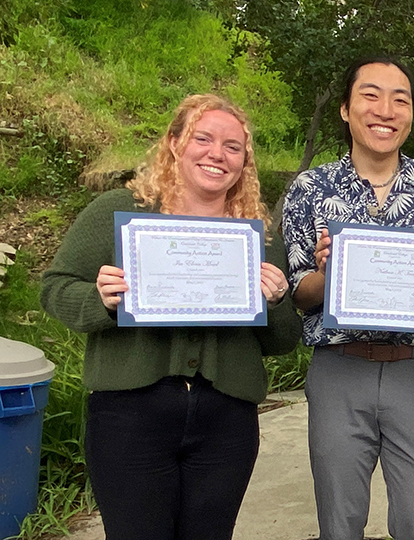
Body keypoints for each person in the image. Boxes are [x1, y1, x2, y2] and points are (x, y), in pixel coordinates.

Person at [40, 94, 302, 540]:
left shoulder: (259, 233)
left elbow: (283, 341)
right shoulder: (119, 213)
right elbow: (55, 288)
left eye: (233, 147)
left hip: (226, 421)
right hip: (129, 416)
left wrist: (276, 301)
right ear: (176, 143)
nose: (217, 154)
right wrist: (102, 300)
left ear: (244, 162)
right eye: (204, 138)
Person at [281, 56, 414, 540]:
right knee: (340, 523)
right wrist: (328, 275)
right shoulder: (311, 188)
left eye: (400, 98)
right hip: (339, 370)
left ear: (411, 113)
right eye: (370, 95)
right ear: (347, 109)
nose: (385, 110)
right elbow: (298, 292)